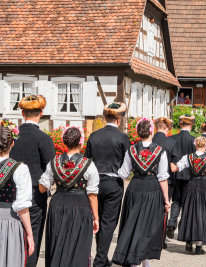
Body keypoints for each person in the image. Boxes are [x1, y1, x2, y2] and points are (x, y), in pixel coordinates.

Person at [112, 118, 170, 267]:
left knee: (133, 224)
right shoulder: (159, 151)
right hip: (152, 188)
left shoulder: (131, 150)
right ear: (152, 131)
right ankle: (142, 259)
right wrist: (166, 200)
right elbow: (162, 177)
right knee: (148, 226)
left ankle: (137, 260)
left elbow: (124, 174)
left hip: (135, 188)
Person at [39, 126, 100, 267]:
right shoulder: (88, 165)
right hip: (80, 206)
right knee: (79, 246)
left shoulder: (54, 162)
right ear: (81, 142)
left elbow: (42, 188)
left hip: (58, 205)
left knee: (57, 243)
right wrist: (96, 217)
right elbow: (92, 195)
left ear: (64, 142)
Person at [10, 95, 55, 267]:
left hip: (10, 192)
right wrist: (45, 190)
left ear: (22, 113)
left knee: (11, 234)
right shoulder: (43, 138)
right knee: (32, 237)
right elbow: (51, 169)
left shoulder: (13, 136)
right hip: (35, 194)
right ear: (41, 113)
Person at [85, 102, 131, 267]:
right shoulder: (123, 138)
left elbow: (87, 160)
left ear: (105, 118)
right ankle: (100, 259)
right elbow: (128, 162)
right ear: (118, 119)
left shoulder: (94, 136)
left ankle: (102, 257)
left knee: (98, 218)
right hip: (113, 181)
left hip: (95, 181)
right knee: (108, 222)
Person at [171, 136, 206, 255]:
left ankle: (189, 242)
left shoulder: (187, 157)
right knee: (203, 214)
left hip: (191, 186)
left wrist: (170, 158)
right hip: (205, 187)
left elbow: (175, 168)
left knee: (190, 213)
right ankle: (199, 246)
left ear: (195, 144)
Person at [0, 119, 34, 267]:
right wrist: (30, 235)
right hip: (9, 222)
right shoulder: (20, 169)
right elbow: (22, 207)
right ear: (12, 143)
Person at [152, 117, 180, 248]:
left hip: (150, 179)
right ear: (167, 128)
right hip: (167, 181)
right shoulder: (171, 142)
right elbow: (175, 164)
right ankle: (161, 240)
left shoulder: (149, 140)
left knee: (150, 208)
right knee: (164, 209)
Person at [166, 115, 196, 239]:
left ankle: (172, 223)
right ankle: (182, 226)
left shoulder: (173, 138)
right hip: (189, 175)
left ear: (180, 124)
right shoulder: (194, 140)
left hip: (175, 173)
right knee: (186, 203)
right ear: (191, 125)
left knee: (176, 201)